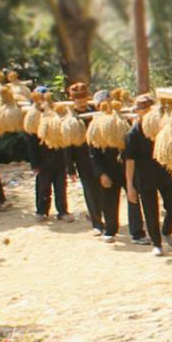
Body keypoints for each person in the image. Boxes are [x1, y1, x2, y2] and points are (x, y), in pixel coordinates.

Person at [123, 94, 172, 257]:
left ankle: (167, 231)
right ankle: (157, 243)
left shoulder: (161, 129)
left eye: (149, 108)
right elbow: (129, 161)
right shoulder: (133, 134)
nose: (146, 112)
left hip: (164, 172)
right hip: (144, 177)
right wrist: (130, 186)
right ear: (138, 112)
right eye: (142, 109)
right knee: (150, 211)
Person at [66, 83, 105, 236]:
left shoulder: (95, 114)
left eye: (83, 98)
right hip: (82, 160)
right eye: (77, 99)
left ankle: (101, 216)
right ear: (73, 100)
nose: (81, 102)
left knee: (102, 190)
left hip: (99, 158)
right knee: (90, 191)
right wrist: (70, 168)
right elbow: (67, 146)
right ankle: (97, 223)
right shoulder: (71, 119)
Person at [28, 88, 71, 222]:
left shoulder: (56, 115)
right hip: (43, 159)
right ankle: (41, 211)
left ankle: (62, 211)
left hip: (58, 156)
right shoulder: (33, 118)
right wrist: (34, 163)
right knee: (43, 187)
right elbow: (32, 144)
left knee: (60, 186)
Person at [89, 91, 126, 243]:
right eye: (105, 101)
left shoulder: (123, 120)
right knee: (109, 199)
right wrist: (102, 173)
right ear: (98, 105)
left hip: (126, 167)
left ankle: (138, 232)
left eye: (110, 100)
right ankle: (110, 229)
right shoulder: (95, 126)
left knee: (133, 199)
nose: (108, 103)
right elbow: (93, 153)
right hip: (108, 168)